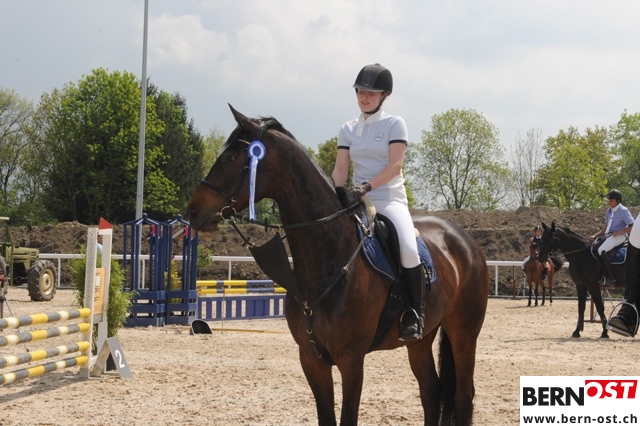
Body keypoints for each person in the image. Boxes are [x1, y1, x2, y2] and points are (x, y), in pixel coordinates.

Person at [332, 63, 425, 342]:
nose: (364, 97)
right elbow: (340, 170)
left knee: (408, 248)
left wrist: (367, 186)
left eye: (371, 93)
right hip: (356, 200)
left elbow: (395, 166)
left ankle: (415, 312)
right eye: (360, 91)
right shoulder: (347, 129)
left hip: (388, 198)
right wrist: (334, 195)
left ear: (384, 95)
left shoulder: (394, 124)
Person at [590, 189, 634, 285]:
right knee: (593, 247)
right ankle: (600, 275)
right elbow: (607, 227)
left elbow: (632, 226)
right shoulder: (609, 211)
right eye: (609, 200)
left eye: (611, 200)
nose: (609, 202)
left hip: (620, 236)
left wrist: (619, 232)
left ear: (617, 200)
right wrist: (596, 235)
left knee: (601, 249)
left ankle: (611, 277)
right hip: (608, 236)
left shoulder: (623, 211)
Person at [608, 211, 640, 336]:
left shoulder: (622, 211)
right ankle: (626, 315)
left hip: (631, 235)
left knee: (633, 278)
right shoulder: (609, 212)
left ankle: (626, 315)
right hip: (634, 237)